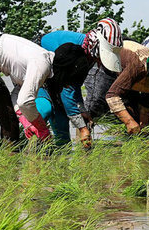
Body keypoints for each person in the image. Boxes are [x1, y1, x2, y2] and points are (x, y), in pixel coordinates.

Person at [0, 30, 90, 148]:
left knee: (9, 118)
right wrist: (42, 130)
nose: (67, 85)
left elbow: (18, 96)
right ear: (66, 71)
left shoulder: (44, 64)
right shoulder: (41, 64)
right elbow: (25, 101)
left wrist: (26, 121)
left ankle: (8, 166)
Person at [35, 18, 123, 146]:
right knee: (45, 108)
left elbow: (75, 85)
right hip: (39, 70)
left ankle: (59, 155)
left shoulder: (89, 55)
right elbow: (68, 90)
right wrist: (82, 128)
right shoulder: (77, 51)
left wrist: (82, 109)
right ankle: (21, 142)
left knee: (62, 128)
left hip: (56, 79)